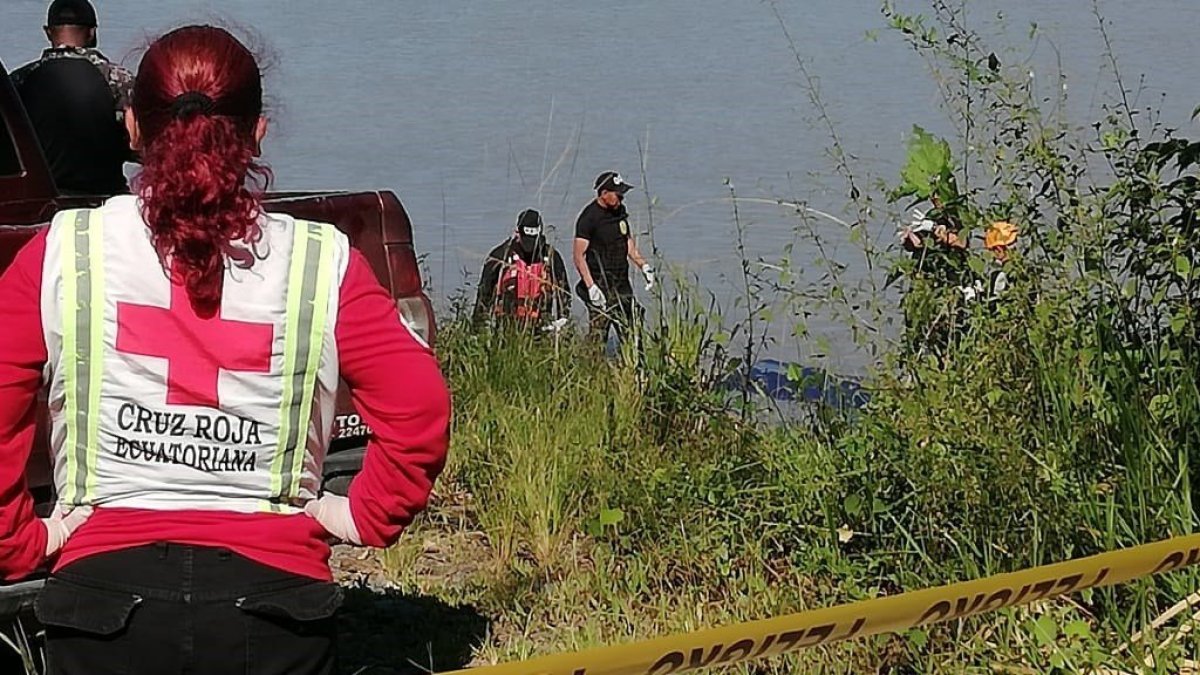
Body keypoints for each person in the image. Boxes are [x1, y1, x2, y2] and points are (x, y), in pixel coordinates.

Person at [0, 25, 450, 675]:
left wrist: (21, 541)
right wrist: (360, 514)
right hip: (276, 611)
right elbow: (419, 408)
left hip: (99, 606)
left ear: (132, 128)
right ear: (257, 132)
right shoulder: (322, 263)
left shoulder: (63, 252)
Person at [10, 0, 135, 195]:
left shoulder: (19, 81)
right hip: (106, 197)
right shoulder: (118, 80)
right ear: (92, 33)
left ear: (48, 32)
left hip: (42, 200)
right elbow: (140, 144)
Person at [573, 170, 654, 345]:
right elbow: (579, 256)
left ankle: (633, 360)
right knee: (598, 334)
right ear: (604, 193)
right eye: (618, 195)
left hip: (621, 282)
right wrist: (591, 287)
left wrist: (644, 266)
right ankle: (592, 360)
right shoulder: (589, 218)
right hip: (600, 282)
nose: (621, 199)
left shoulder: (620, 212)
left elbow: (627, 242)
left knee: (632, 331)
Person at [473, 208, 571, 332]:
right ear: (517, 233)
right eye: (526, 241)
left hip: (542, 328)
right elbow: (484, 293)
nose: (530, 247)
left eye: (534, 241)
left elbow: (564, 291)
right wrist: (478, 328)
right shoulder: (500, 256)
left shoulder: (551, 257)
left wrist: (563, 319)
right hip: (507, 328)